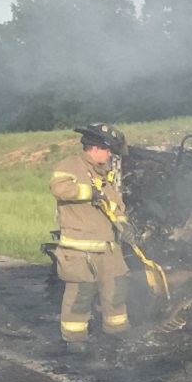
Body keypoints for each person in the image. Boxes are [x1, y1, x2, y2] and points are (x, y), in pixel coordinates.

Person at [48, 123, 133, 351]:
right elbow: (59, 188)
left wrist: (124, 225)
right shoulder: (70, 166)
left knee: (116, 289)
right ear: (95, 148)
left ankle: (116, 335)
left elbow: (115, 205)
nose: (109, 155)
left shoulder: (104, 174)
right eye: (107, 151)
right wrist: (89, 193)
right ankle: (75, 341)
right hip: (79, 250)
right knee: (80, 295)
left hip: (107, 248)